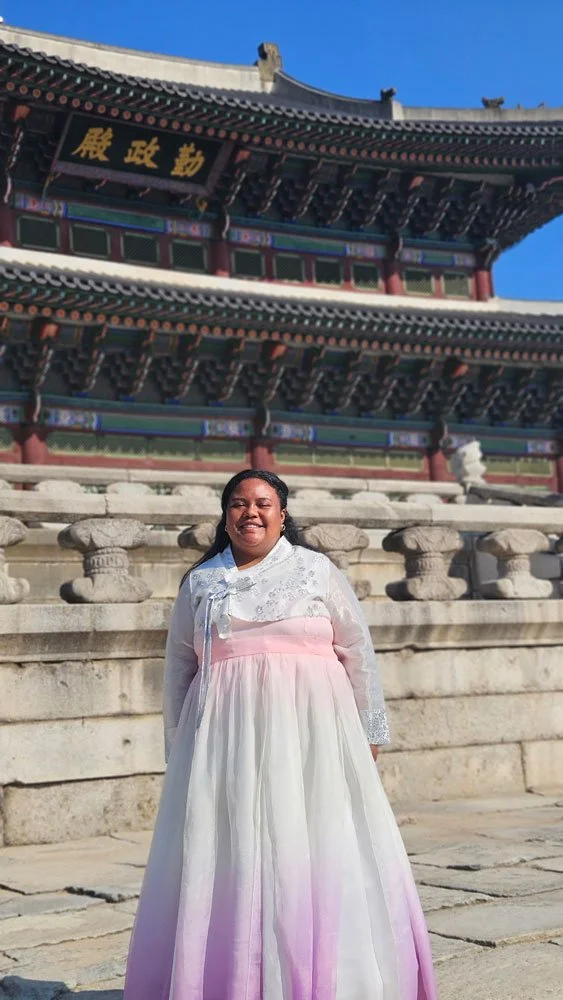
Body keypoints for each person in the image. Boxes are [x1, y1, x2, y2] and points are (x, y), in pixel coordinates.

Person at [124, 469, 437, 1000]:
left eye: (263, 503)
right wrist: (181, 746)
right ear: (225, 516)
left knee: (317, 837)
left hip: (315, 733)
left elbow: (357, 650)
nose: (251, 512)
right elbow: (178, 667)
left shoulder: (316, 570)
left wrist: (369, 729)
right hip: (225, 737)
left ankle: (338, 979)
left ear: (282, 514)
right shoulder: (201, 583)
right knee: (232, 847)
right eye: (238, 503)